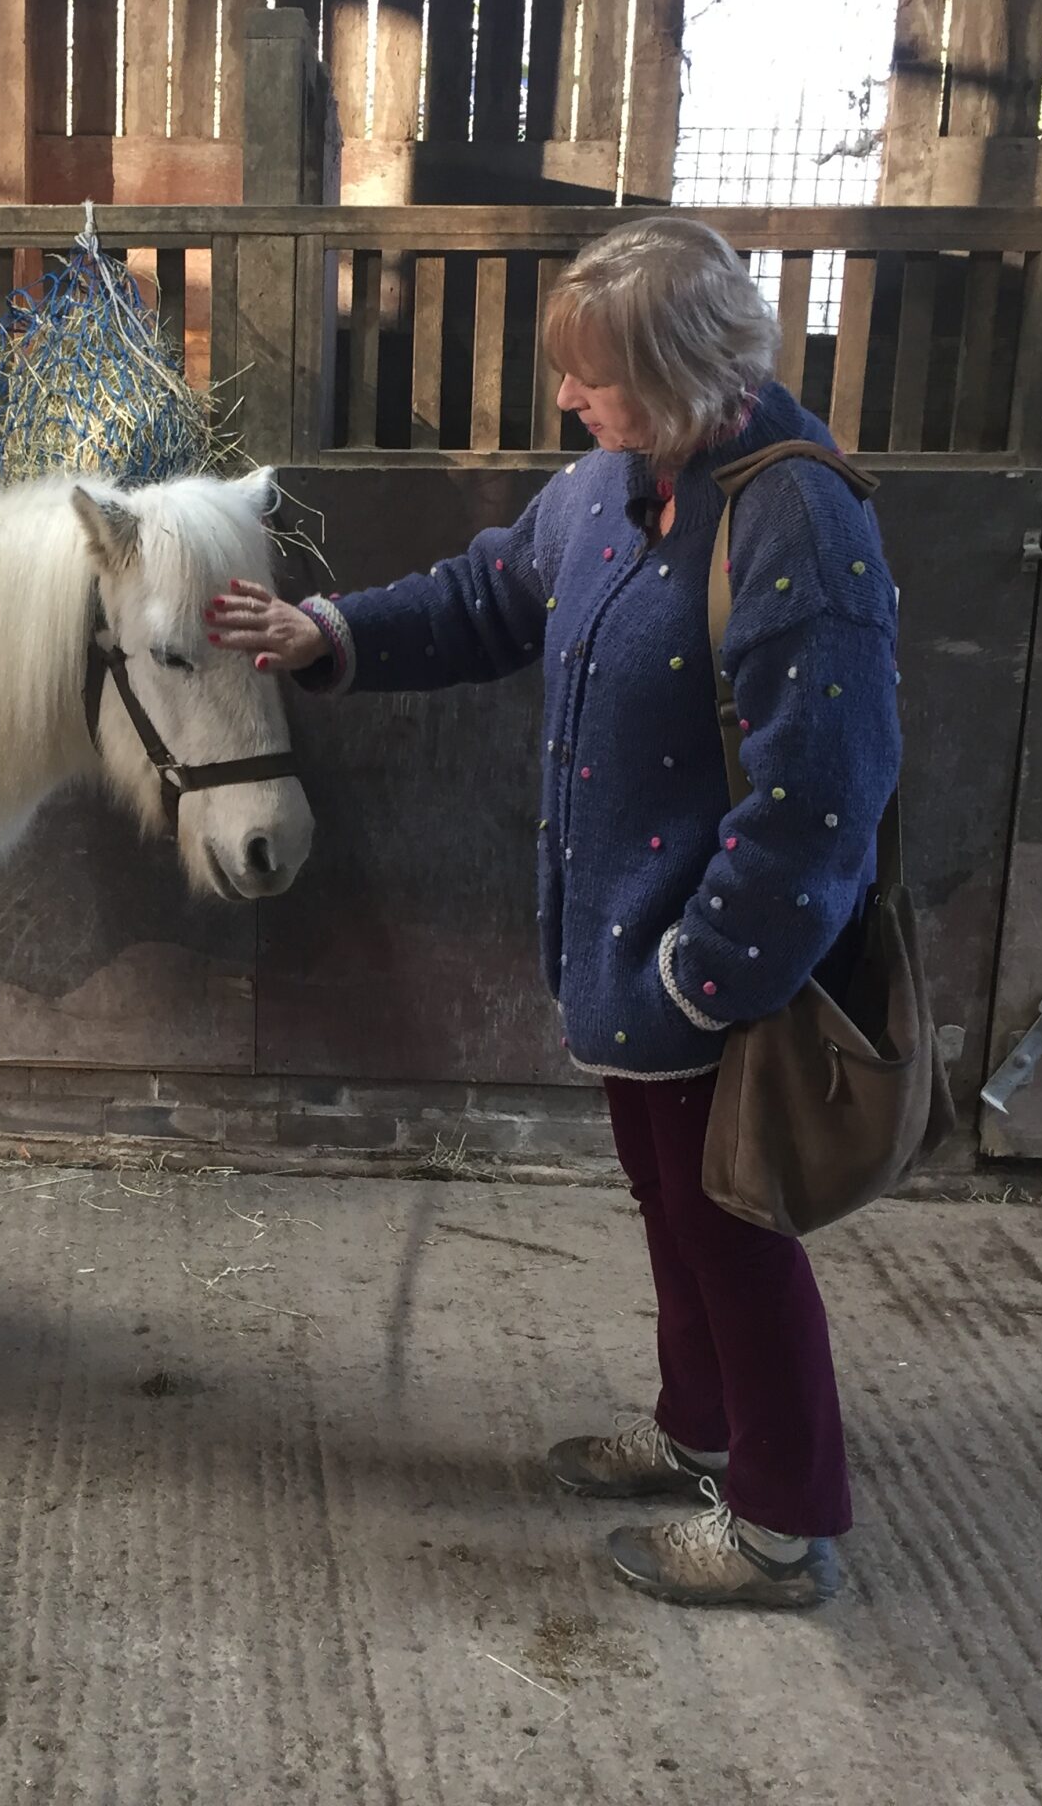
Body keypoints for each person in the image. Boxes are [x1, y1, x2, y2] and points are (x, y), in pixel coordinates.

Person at [204, 217, 901, 1611]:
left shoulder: (795, 521)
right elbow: (491, 595)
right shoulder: (610, 488)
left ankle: (781, 1525)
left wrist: (707, 974)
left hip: (712, 979)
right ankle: (701, 1430)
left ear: (688, 374)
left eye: (598, 377)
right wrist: (333, 631)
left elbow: (822, 794)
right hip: (630, 963)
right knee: (674, 1209)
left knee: (738, 1235)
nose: (570, 399)